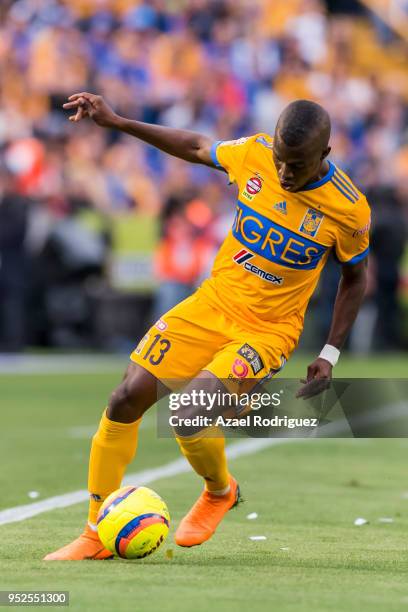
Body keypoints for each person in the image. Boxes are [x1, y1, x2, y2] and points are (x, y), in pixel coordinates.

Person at [44, 94, 370, 560]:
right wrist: (117, 121)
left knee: (189, 416)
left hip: (267, 331)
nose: (284, 174)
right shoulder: (255, 153)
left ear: (325, 155)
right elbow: (197, 146)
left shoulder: (349, 208)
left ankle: (219, 491)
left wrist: (330, 352)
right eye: (280, 161)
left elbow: (356, 278)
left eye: (296, 166)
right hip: (210, 304)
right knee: (124, 398)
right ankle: (95, 533)